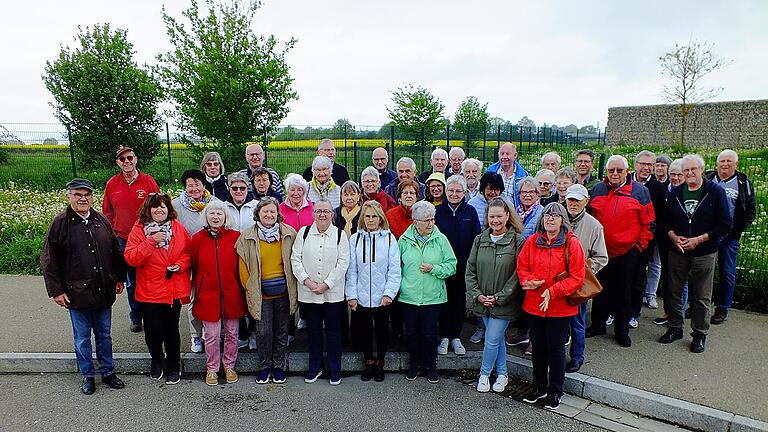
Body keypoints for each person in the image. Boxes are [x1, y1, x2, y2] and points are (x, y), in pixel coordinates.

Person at [42, 178, 127, 395]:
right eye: (78, 195)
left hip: (103, 290)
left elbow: (115, 252)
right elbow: (49, 260)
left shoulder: (101, 220)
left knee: (104, 335)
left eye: (87, 194)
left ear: (92, 197)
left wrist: (119, 277)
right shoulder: (60, 223)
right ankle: (87, 375)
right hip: (75, 294)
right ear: (69, 196)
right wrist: (56, 291)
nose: (83, 198)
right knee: (82, 339)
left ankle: (108, 372)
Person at [659, 155, 732, 353]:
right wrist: (673, 237)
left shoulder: (715, 192)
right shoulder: (675, 192)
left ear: (702, 169)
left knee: (701, 295)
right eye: (686, 170)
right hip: (678, 250)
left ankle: (699, 333)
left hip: (704, 251)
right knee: (673, 290)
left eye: (693, 169)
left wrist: (699, 239)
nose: (689, 173)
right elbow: (664, 222)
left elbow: (725, 224)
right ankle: (675, 327)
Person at [518, 203, 586, 411]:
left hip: (560, 307)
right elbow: (522, 267)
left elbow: (577, 277)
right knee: (538, 348)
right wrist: (529, 280)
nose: (550, 218)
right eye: (547, 215)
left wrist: (553, 291)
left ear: (562, 220)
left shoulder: (571, 243)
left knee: (556, 350)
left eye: (555, 216)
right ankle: (539, 387)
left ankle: (555, 390)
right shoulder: (532, 241)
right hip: (535, 304)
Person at [586, 155, 654, 348]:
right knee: (599, 290)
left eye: (619, 170)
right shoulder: (598, 189)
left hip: (627, 253)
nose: (614, 174)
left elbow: (649, 224)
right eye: (611, 170)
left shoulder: (640, 192)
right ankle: (598, 325)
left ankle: (621, 330)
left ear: (627, 171)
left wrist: (638, 248)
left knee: (624, 293)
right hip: (600, 252)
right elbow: (590, 217)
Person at [124, 193, 192, 385]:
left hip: (173, 289)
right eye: (155, 207)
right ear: (148, 209)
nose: (159, 210)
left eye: (163, 206)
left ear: (168, 209)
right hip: (149, 290)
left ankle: (173, 364)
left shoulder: (178, 228)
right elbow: (131, 258)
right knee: (153, 331)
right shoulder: (138, 230)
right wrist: (151, 240)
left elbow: (188, 254)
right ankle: (156, 360)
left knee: (171, 330)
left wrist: (180, 265)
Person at [236, 197, 298, 385]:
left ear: (278, 214)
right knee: (263, 333)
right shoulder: (247, 236)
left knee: (281, 331)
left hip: (284, 292)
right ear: (258, 214)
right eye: (265, 212)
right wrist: (250, 286)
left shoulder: (289, 233)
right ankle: (264, 367)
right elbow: (243, 265)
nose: (269, 215)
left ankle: (278, 367)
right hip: (260, 293)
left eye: (272, 211)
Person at [465, 197, 525, 393]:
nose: (496, 220)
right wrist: (477, 295)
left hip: (504, 303)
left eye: (499, 216)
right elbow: (470, 269)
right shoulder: (479, 239)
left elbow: (518, 274)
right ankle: (502, 374)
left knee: (491, 339)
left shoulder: (517, 240)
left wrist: (499, 297)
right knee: (496, 339)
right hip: (482, 301)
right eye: (492, 216)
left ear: (508, 216)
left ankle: (483, 374)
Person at [291, 198, 350, 385]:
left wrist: (326, 284)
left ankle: (334, 369)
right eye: (318, 211)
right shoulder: (304, 232)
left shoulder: (340, 235)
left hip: (332, 294)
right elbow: (295, 259)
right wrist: (307, 281)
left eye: (326, 211)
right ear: (313, 214)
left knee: (333, 333)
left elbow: (343, 263)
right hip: (308, 293)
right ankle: (314, 368)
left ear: (332, 214)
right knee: (314, 332)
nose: (322, 214)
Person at [102, 146, 160, 332]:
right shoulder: (112, 183)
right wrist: (112, 232)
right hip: (123, 239)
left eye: (129, 158)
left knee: (150, 276)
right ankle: (136, 317)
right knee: (131, 281)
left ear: (135, 159)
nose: (126, 162)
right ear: (117, 163)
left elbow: (159, 207)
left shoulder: (148, 181)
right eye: (122, 159)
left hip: (147, 238)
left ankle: (152, 314)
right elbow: (107, 211)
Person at [398, 201, 457, 384]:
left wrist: (434, 268)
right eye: (426, 220)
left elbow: (452, 265)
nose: (430, 223)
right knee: (413, 333)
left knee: (430, 333)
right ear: (415, 221)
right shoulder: (403, 240)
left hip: (433, 296)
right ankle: (414, 364)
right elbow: (396, 268)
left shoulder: (441, 239)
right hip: (409, 296)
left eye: (432, 219)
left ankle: (431, 365)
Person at [190, 201, 246, 386]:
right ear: (206, 216)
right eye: (212, 213)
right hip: (208, 293)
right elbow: (196, 265)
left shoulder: (235, 237)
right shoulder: (197, 239)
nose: (215, 217)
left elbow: (241, 265)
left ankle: (229, 365)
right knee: (212, 335)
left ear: (225, 217)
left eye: (219, 214)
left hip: (231, 292)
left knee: (232, 333)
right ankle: (212, 368)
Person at [346, 201, 401, 382]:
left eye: (374, 216)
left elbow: (394, 270)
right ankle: (368, 361)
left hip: (382, 297)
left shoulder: (389, 239)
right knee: (365, 331)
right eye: (367, 216)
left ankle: (380, 362)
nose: (370, 220)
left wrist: (389, 293)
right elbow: (351, 270)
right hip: (361, 297)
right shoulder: (355, 239)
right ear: (363, 218)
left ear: (380, 218)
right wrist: (352, 296)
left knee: (382, 331)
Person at [706, 149, 756, 325]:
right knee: (704, 272)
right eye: (722, 161)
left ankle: (722, 308)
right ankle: (701, 305)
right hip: (708, 235)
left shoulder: (743, 183)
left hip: (729, 237)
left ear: (736, 164)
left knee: (727, 272)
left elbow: (751, 210)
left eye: (729, 161)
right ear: (717, 164)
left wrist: (737, 230)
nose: (725, 164)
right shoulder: (708, 179)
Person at [564, 184, 608, 373]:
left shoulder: (594, 225)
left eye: (577, 200)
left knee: (577, 321)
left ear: (586, 201)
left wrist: (584, 271)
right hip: (556, 281)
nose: (573, 203)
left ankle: (577, 356)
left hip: (578, 283)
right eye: (570, 199)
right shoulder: (557, 218)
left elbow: (602, 257)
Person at [435, 175, 481, 357]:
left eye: (458, 191)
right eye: (451, 190)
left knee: (458, 302)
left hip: (463, 266)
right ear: (446, 192)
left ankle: (456, 336)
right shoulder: (437, 212)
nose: (454, 194)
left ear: (464, 193)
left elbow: (475, 237)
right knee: (443, 302)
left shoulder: (470, 212)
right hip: (442, 267)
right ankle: (444, 336)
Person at [173, 169, 218, 354]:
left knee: (211, 295)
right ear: (185, 187)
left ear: (204, 185)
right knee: (194, 297)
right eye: (190, 185)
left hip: (211, 258)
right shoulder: (176, 206)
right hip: (189, 259)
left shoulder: (214, 203)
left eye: (197, 184)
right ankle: (195, 334)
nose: (194, 188)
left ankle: (211, 332)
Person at [629, 150, 667, 327]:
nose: (646, 168)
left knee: (637, 278)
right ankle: (614, 311)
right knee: (618, 278)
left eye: (649, 165)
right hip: (622, 239)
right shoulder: (625, 180)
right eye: (643, 164)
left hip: (644, 241)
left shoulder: (659, 188)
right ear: (636, 164)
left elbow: (657, 218)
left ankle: (633, 314)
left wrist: (649, 242)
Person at [653, 158, 689, 326]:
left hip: (681, 241)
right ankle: (669, 312)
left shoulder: (686, 192)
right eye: (672, 174)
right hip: (664, 239)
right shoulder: (664, 189)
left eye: (679, 175)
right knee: (668, 278)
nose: (675, 178)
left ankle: (677, 314)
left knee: (680, 279)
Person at [486, 143, 528, 207]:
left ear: (515, 155)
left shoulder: (523, 176)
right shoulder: (490, 172)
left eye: (507, 154)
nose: (504, 157)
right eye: (502, 154)